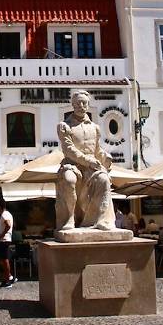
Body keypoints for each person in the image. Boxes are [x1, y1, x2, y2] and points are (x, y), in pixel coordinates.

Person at [56, 90, 115, 230]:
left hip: (91, 166)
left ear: (88, 105)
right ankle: (70, 218)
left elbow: (96, 150)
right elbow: (69, 150)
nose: (80, 105)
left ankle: (101, 220)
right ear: (72, 105)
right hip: (73, 164)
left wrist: (105, 157)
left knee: (104, 180)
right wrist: (88, 161)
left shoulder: (95, 128)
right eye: (77, 103)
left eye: (83, 103)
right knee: (69, 180)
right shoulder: (64, 126)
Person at [0, 197, 16, 288]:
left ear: (0, 207)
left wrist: (2, 234)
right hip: (3, 240)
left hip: (4, 240)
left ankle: (8, 280)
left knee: (4, 259)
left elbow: (8, 225)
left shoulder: (4, 214)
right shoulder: (6, 214)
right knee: (0, 258)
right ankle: (8, 276)